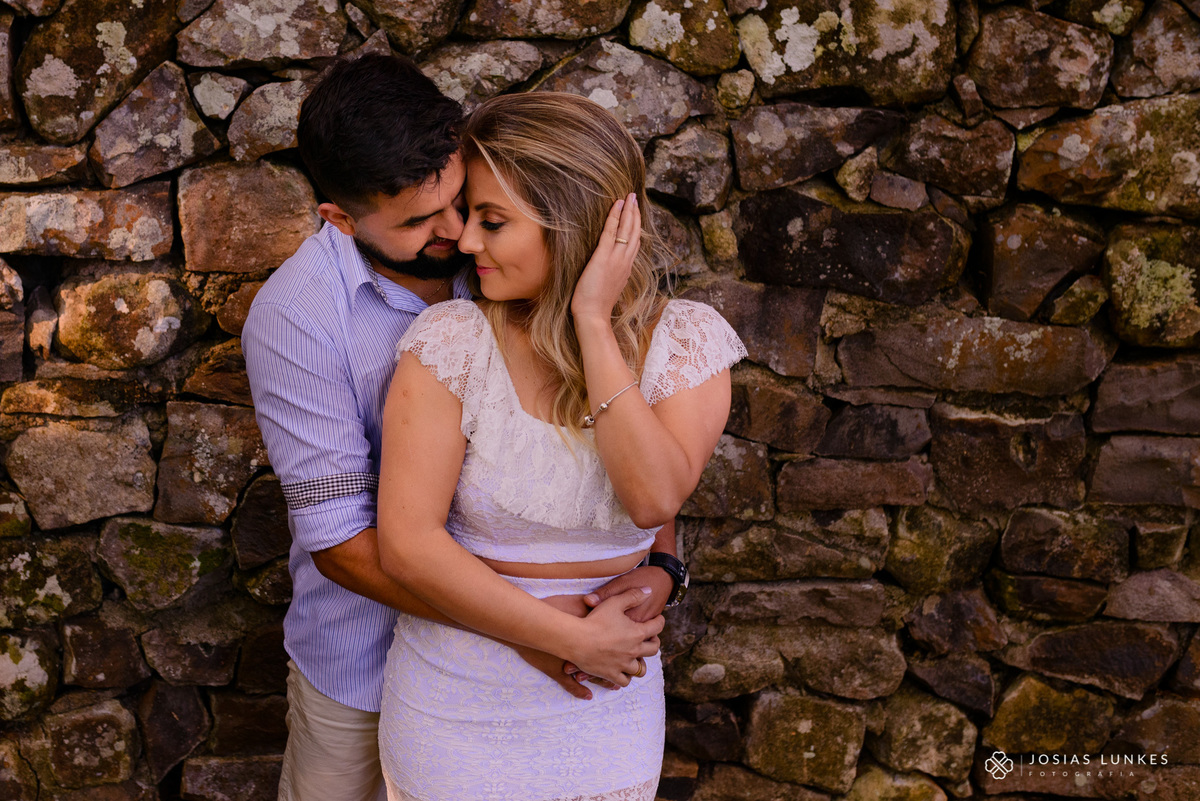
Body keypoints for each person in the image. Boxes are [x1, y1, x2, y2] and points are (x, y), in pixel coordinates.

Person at [242, 55, 680, 801]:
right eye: (416, 221)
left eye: (460, 200)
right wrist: (539, 633)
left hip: (562, 659)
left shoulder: (519, 255)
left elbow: (615, 434)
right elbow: (345, 547)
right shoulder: (298, 319)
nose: (456, 234)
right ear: (340, 218)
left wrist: (664, 565)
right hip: (365, 662)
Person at [375, 92, 747, 801]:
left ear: (571, 226)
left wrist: (592, 321)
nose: (466, 243)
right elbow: (408, 545)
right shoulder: (451, 342)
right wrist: (572, 640)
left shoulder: (686, 344)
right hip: (456, 709)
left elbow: (652, 497)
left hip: (606, 712)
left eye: (492, 222)